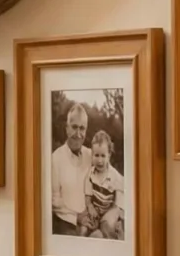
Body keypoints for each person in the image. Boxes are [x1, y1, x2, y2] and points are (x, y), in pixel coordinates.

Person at [50, 102, 92, 235]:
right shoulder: (55, 158)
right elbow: (54, 200)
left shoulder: (91, 155)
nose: (78, 134)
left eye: (82, 128)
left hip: (89, 220)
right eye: (74, 127)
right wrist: (76, 217)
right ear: (67, 128)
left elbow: (114, 178)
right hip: (66, 222)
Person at [79, 130, 125, 240]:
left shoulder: (115, 177)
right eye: (96, 155)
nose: (99, 160)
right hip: (95, 210)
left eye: (103, 156)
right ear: (92, 155)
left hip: (110, 209)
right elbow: (88, 197)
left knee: (106, 225)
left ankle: (115, 241)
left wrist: (113, 215)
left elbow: (118, 203)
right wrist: (90, 207)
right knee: (83, 229)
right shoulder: (90, 174)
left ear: (109, 154)